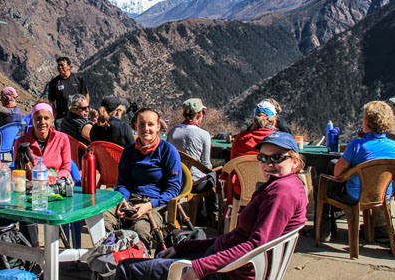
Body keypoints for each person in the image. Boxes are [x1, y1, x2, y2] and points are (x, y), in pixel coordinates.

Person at [115, 132, 307, 280]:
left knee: (127, 268)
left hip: (229, 272)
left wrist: (199, 267)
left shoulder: (282, 193)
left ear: (295, 161)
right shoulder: (286, 185)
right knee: (164, 254)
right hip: (226, 261)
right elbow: (236, 238)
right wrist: (185, 248)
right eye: (263, 158)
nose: (268, 164)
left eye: (276, 158)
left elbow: (256, 245)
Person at [320, 101, 395, 240]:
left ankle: (323, 231)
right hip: (382, 195)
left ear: (368, 121)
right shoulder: (393, 145)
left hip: (355, 196)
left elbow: (337, 174)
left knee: (323, 183)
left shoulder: (357, 145)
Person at [104, 108, 182, 249]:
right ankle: (110, 257)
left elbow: (173, 189)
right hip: (130, 199)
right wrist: (122, 199)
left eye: (150, 124)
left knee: (141, 229)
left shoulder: (168, 151)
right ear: (135, 126)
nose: (146, 129)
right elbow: (123, 183)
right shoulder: (129, 151)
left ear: (158, 127)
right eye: (142, 124)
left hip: (156, 204)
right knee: (103, 218)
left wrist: (149, 205)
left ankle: (137, 263)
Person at [12, 102, 73, 246]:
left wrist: (56, 179)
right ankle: (32, 252)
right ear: (32, 120)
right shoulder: (21, 143)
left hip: (55, 188)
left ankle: (55, 249)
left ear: (52, 120)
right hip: (31, 190)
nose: (42, 122)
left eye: (46, 118)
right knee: (25, 213)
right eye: (38, 118)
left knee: (62, 210)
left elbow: (66, 167)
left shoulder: (62, 138)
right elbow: (18, 170)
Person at [167, 98, 216, 225]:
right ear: (200, 114)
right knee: (212, 177)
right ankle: (211, 215)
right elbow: (206, 164)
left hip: (178, 179)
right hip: (196, 183)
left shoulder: (172, 132)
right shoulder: (204, 134)